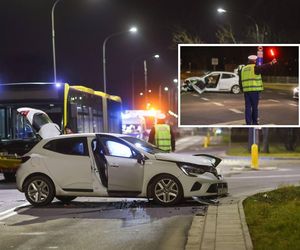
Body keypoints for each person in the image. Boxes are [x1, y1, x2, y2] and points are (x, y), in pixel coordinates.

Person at [239, 55, 277, 125]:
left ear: (248, 61)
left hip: (246, 91)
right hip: (254, 91)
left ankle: (248, 123)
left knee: (247, 107)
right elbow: (264, 66)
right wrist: (271, 63)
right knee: (254, 107)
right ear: (254, 61)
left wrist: (242, 89)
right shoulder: (255, 68)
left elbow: (240, 81)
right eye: (255, 61)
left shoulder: (243, 69)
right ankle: (255, 122)